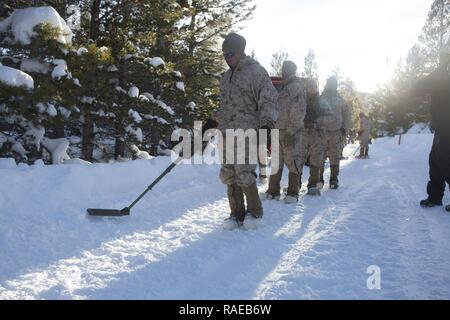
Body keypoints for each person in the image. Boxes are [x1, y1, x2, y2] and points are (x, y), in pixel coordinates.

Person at [210, 33, 278, 229]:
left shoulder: (256, 72)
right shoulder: (226, 77)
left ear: (240, 52)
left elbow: (268, 99)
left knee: (244, 172)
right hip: (226, 133)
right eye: (224, 55)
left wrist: (266, 125)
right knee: (229, 172)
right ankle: (236, 214)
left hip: (247, 131)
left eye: (230, 54)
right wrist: (210, 123)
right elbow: (224, 106)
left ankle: (255, 212)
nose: (227, 58)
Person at [261, 61, 306, 203]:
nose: (283, 71)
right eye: (283, 69)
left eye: (286, 69)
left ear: (292, 70)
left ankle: (293, 192)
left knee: (293, 160)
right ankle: (273, 191)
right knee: (276, 161)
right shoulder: (282, 87)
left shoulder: (296, 87)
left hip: (290, 131)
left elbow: (299, 111)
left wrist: (291, 131)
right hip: (277, 130)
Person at [414, 44, 450, 211]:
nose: (440, 59)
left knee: (445, 161)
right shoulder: (442, 73)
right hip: (442, 126)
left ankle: (435, 196)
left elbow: (419, 87)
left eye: (442, 56)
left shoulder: (443, 72)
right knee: (435, 161)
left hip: (446, 125)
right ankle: (435, 197)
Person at [317, 76, 352, 189]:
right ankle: (319, 179)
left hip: (336, 133)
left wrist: (344, 129)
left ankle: (333, 179)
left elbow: (347, 115)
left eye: (334, 84)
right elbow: (315, 113)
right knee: (320, 156)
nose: (332, 85)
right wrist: (316, 127)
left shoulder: (341, 100)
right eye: (330, 83)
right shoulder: (321, 99)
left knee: (335, 156)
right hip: (322, 132)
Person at [301, 78, 326, 196]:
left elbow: (330, 117)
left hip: (317, 134)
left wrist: (316, 122)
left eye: (314, 87)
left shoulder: (322, 101)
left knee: (316, 160)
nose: (312, 89)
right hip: (302, 133)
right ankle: (295, 185)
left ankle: (312, 185)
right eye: (310, 87)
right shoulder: (301, 100)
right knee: (299, 159)